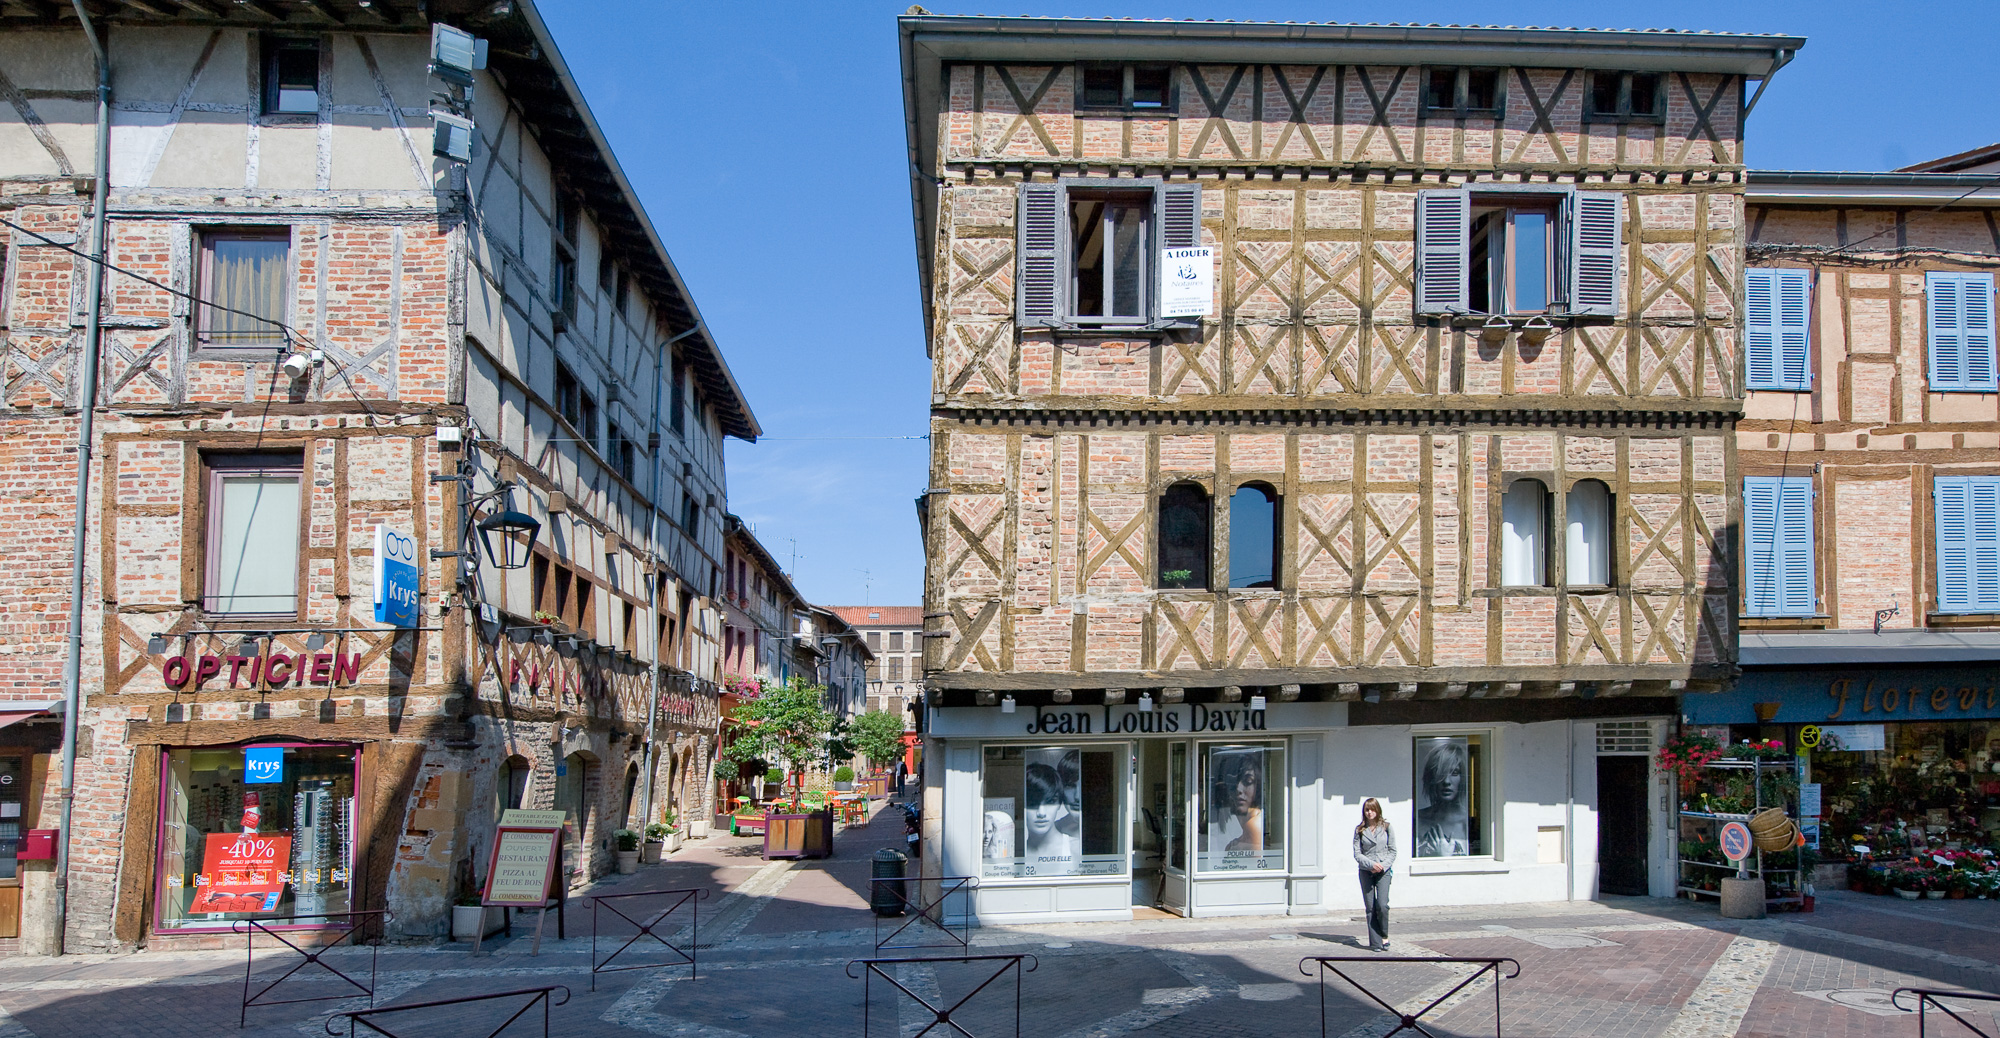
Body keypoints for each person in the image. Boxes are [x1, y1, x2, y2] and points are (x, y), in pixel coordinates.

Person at [1416, 740, 1471, 857]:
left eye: (1454, 773)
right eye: (1440, 774)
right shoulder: (1418, 820)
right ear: (1431, 778)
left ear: (1462, 778)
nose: (1446, 781)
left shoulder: (1468, 823)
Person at [1354, 797, 1395, 952]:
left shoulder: (1386, 827)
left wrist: (1382, 866)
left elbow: (1393, 850)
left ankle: (1384, 934)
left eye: (1372, 809)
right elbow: (1357, 853)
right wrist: (1371, 865)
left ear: (1377, 810)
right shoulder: (1360, 830)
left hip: (1383, 871)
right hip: (1366, 871)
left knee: (1382, 905)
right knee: (1370, 907)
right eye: (1367, 809)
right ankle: (1376, 943)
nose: (1369, 812)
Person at [1021, 762, 1077, 875]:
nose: (1041, 813)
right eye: (1032, 803)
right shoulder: (1016, 852)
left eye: (1050, 802)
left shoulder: (1076, 848)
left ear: (1059, 804)